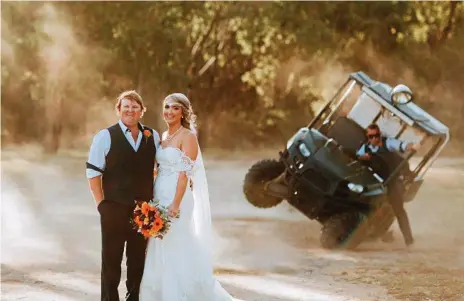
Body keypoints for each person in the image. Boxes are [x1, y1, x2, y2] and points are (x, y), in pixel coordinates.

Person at [139, 93, 236, 301]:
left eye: (175, 108)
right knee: (159, 243)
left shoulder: (188, 136)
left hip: (178, 197)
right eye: (166, 107)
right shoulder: (162, 136)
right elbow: (158, 169)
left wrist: (175, 204)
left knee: (177, 241)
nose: (169, 112)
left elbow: (184, 175)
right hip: (159, 194)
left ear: (183, 112)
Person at [86, 90, 160, 301]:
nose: (130, 110)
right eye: (126, 106)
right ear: (118, 110)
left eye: (135, 107)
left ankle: (134, 298)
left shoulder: (152, 136)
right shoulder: (105, 136)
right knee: (111, 261)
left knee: (137, 261)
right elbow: (93, 173)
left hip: (143, 211)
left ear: (142, 111)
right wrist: (102, 205)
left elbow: (159, 168)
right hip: (114, 208)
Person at [356, 123, 420, 247]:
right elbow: (357, 156)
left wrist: (412, 146)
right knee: (369, 207)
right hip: (374, 183)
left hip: (392, 181)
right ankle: (374, 234)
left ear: (380, 135)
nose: (374, 139)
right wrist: (362, 158)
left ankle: (409, 240)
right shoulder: (365, 148)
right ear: (367, 137)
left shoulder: (388, 143)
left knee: (398, 210)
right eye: (371, 136)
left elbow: (402, 145)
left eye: (376, 136)